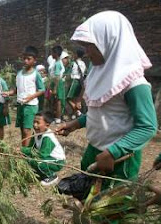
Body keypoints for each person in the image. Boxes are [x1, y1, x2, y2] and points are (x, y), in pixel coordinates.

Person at [57, 11, 157, 188]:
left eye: (90, 46)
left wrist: (113, 152)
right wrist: (76, 124)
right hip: (95, 151)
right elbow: (104, 113)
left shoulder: (134, 83)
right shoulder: (99, 73)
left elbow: (147, 127)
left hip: (119, 161)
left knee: (110, 211)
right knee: (89, 205)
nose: (86, 53)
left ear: (109, 41)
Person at [5, 46, 45, 146]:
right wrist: (9, 93)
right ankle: (24, 150)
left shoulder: (36, 74)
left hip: (30, 106)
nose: (26, 61)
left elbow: (42, 90)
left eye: (29, 59)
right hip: (20, 105)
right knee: (22, 130)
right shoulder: (19, 74)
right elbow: (17, 89)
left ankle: (26, 153)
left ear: (34, 60)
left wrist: (31, 97)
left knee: (27, 130)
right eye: (24, 58)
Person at [21, 111, 66, 186]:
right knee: (27, 158)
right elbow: (31, 148)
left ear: (47, 125)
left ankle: (51, 176)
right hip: (46, 158)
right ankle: (41, 174)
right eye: (34, 122)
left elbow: (42, 155)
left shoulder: (47, 138)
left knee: (39, 162)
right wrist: (23, 153)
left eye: (38, 123)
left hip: (57, 161)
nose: (35, 125)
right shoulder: (36, 134)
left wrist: (23, 150)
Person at [67, 48, 87, 119]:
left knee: (67, 98)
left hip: (74, 81)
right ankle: (75, 114)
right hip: (80, 82)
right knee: (76, 99)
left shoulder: (73, 63)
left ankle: (78, 112)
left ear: (76, 55)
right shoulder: (83, 64)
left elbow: (69, 71)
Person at [49, 46, 65, 124]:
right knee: (55, 100)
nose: (51, 54)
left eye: (52, 52)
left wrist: (55, 88)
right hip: (55, 82)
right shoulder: (56, 62)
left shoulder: (58, 63)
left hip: (57, 83)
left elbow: (57, 76)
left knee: (58, 100)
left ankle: (58, 118)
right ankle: (56, 117)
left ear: (56, 53)